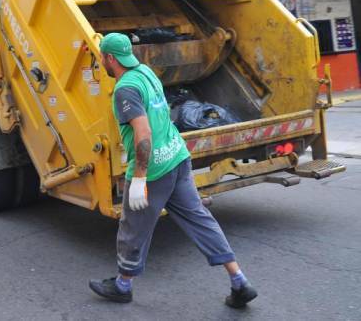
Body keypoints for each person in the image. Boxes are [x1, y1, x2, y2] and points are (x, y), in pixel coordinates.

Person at [89, 33, 257, 308]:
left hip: (154, 169)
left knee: (133, 228)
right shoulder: (146, 72)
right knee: (200, 219)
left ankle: (122, 285)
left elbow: (143, 133)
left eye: (100, 56)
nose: (100, 61)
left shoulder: (125, 89)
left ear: (109, 58)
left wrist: (139, 178)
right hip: (177, 157)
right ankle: (239, 280)